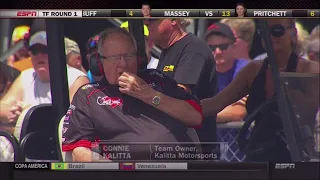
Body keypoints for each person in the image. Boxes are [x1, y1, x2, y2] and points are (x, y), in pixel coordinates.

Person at [62, 27, 203, 162]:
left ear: (139, 59)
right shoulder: (89, 96)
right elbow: (79, 152)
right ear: (99, 63)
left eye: (129, 56)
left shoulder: (158, 79)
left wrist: (149, 95)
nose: (123, 63)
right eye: (114, 58)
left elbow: (195, 117)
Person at [201, 19, 319, 162]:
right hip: (258, 156)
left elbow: (308, 111)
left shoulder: (310, 70)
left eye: (276, 31)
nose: (269, 36)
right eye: (263, 32)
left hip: (297, 156)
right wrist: (179, 106)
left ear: (292, 33)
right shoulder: (253, 70)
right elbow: (216, 103)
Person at [147, 18, 217, 152]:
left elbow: (180, 95)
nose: (146, 23)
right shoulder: (168, 49)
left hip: (196, 147)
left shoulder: (193, 48)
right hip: (174, 145)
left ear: (174, 19)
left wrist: (145, 93)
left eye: (152, 19)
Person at [0, 31, 89, 133]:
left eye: (45, 50)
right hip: (27, 140)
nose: (39, 55)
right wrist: (11, 112)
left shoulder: (77, 78)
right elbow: (3, 106)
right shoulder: (27, 76)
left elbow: (75, 117)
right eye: (34, 51)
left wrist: (28, 113)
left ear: (59, 53)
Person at [205, 23, 248, 162]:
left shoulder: (246, 70)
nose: (217, 51)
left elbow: (238, 112)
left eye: (223, 46)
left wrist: (199, 115)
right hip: (212, 151)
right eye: (211, 48)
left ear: (234, 46)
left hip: (242, 153)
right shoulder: (202, 74)